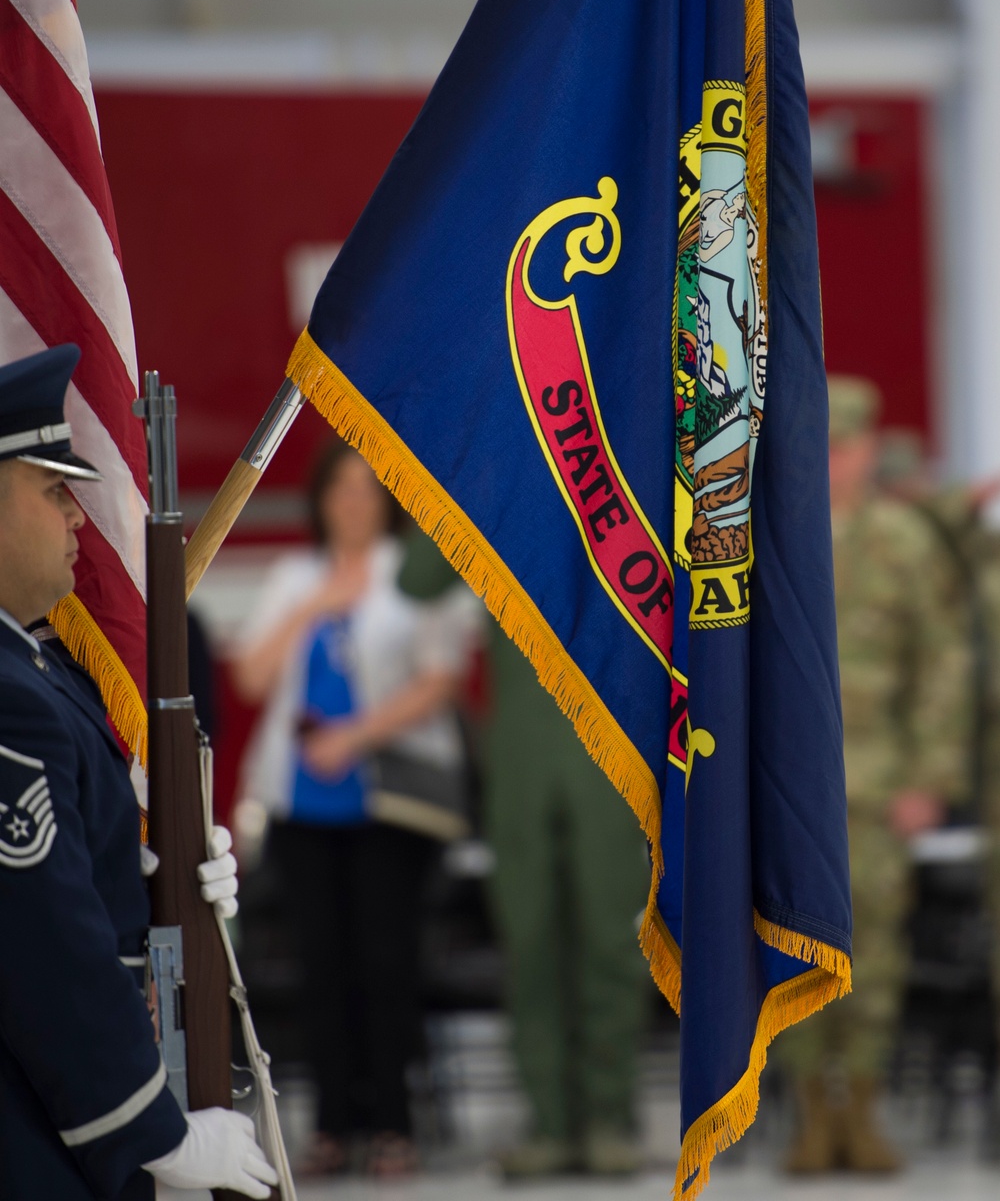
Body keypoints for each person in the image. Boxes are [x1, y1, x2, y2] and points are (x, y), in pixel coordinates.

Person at [0, 344, 278, 1200]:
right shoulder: (12, 699)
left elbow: (75, 868)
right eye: (54, 491)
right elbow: (45, 941)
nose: (80, 518)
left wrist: (162, 874)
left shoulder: (41, 673)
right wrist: (146, 1125)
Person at [232, 439, 477, 1178]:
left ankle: (394, 1126)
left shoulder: (413, 577)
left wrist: (352, 737)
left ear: (387, 502)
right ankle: (332, 1126)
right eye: (340, 488)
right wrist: (318, 603)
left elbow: (440, 680)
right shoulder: (293, 576)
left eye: (368, 490)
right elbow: (249, 676)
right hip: (302, 805)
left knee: (387, 964)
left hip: (388, 805)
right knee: (319, 967)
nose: (353, 502)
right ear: (320, 499)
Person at [398, 531, 650, 1178]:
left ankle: (607, 1116)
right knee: (529, 942)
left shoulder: (624, 481)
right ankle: (549, 1121)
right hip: (520, 759)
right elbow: (417, 579)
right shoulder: (501, 492)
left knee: (610, 946)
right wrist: (471, 463)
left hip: (609, 751)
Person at [781, 375, 972, 1175]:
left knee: (876, 954)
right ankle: (808, 1116)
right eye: (820, 444)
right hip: (788, 786)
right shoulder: (765, 536)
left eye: (847, 446)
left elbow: (944, 661)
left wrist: (930, 775)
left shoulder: (905, 540)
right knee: (790, 950)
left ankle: (860, 1107)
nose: (834, 461)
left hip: (879, 780)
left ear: (869, 449)